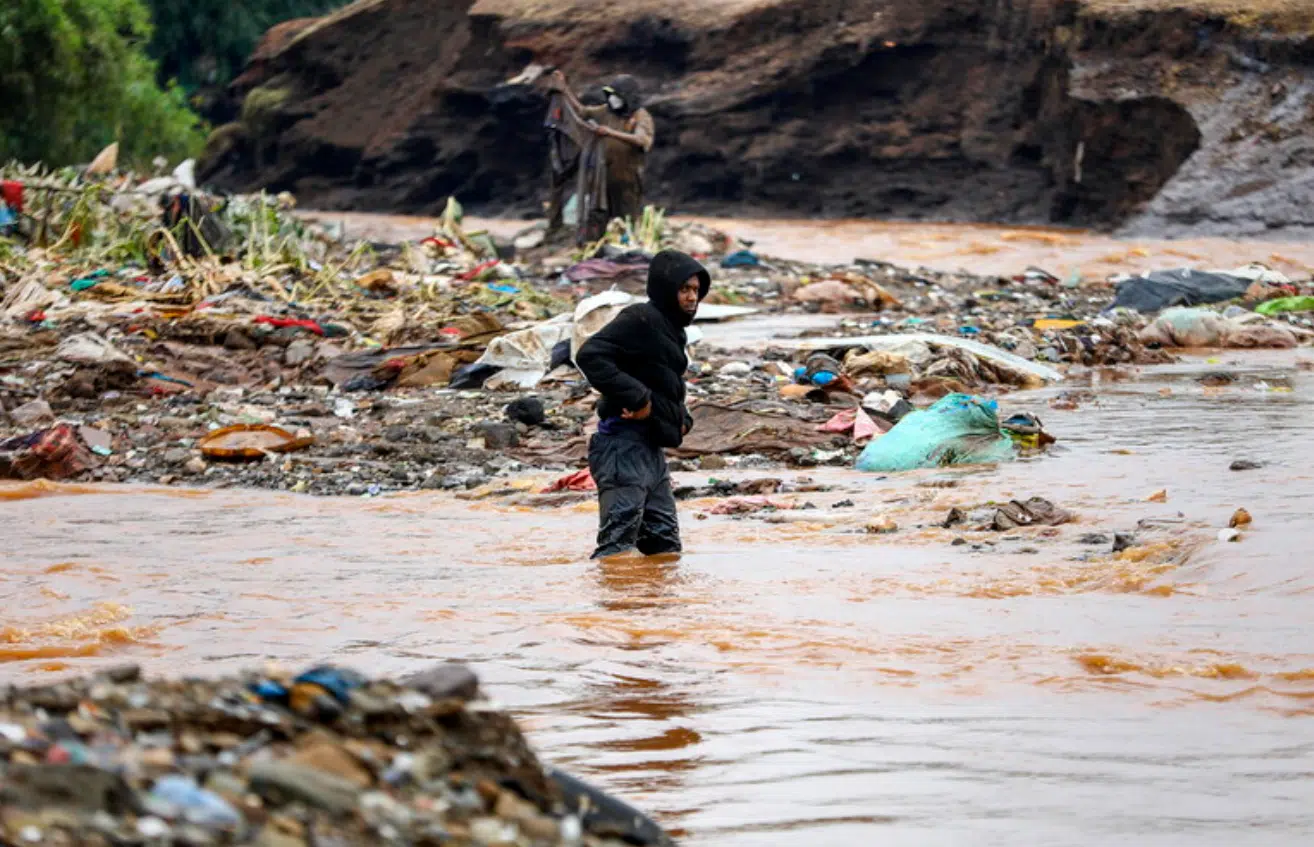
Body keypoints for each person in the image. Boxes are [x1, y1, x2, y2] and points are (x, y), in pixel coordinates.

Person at [575, 250, 710, 559]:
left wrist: (680, 417)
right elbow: (591, 355)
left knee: (664, 550)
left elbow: (661, 379)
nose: (692, 297)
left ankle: (654, 607)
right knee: (616, 551)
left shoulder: (671, 329)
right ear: (665, 288)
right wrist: (637, 398)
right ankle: (614, 605)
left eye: (696, 290)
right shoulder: (640, 318)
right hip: (621, 446)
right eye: (684, 289)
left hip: (651, 451)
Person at [545, 71, 655, 241]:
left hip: (627, 180)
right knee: (599, 216)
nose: (612, 100)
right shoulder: (606, 111)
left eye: (616, 96)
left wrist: (611, 132)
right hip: (603, 178)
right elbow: (582, 112)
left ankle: (628, 246)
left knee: (627, 219)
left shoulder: (640, 116)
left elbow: (642, 140)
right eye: (610, 95)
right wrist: (564, 89)